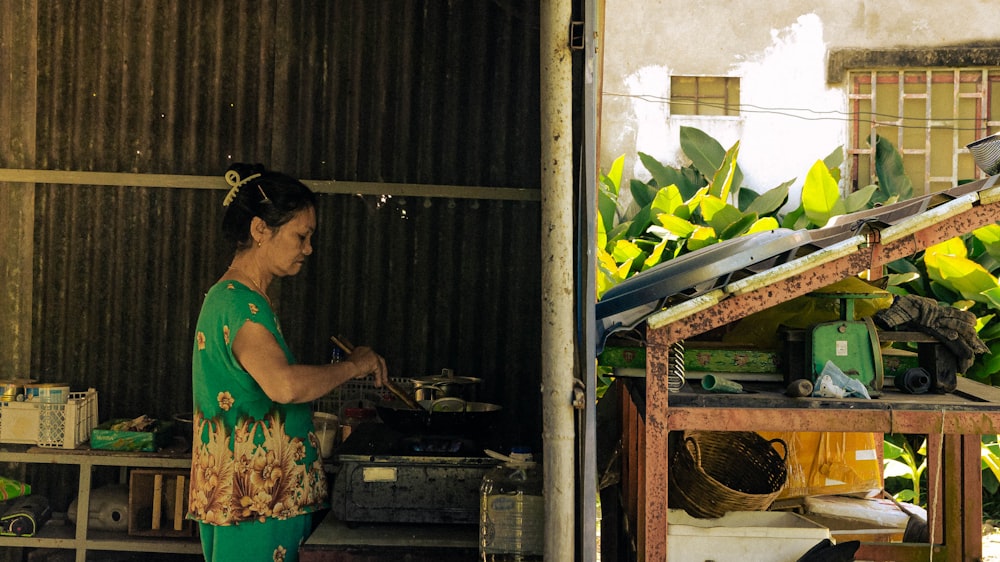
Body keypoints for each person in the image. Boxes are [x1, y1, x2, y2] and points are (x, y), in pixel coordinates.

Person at [187, 163, 388, 562]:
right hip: (257, 503)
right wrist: (354, 366)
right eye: (301, 235)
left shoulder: (242, 300)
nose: (308, 249)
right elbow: (284, 386)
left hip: (261, 500)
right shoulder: (236, 302)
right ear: (261, 230)